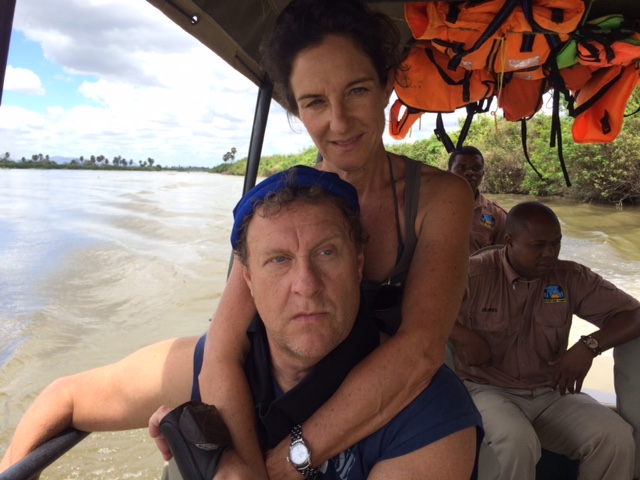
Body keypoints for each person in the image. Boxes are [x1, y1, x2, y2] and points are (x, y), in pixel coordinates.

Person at [0, 167, 483, 480]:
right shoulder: (206, 368)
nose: (306, 284)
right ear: (247, 282)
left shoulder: (430, 413)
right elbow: (62, 397)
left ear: (359, 265)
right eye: (278, 260)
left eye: (326, 253)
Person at [196, 1, 475, 478]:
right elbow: (220, 351)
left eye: (357, 90)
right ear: (296, 108)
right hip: (309, 380)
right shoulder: (289, 206)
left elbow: (422, 348)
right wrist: (247, 467)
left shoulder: (440, 198)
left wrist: (284, 464)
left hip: (402, 386)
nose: (340, 123)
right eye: (315, 103)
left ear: (388, 84)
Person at [450, 201, 640, 480]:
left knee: (616, 437)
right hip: (486, 389)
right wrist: (464, 336)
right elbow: (419, 310)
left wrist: (589, 346)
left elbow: (634, 314)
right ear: (509, 241)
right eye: (538, 245)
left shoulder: (570, 277)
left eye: (556, 243)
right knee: (516, 441)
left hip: (551, 391)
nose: (549, 253)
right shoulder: (473, 274)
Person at [447, 146, 507, 255]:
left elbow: (504, 258)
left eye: (476, 168)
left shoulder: (497, 215)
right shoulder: (429, 207)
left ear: (482, 174)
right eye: (461, 168)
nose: (469, 173)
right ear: (449, 173)